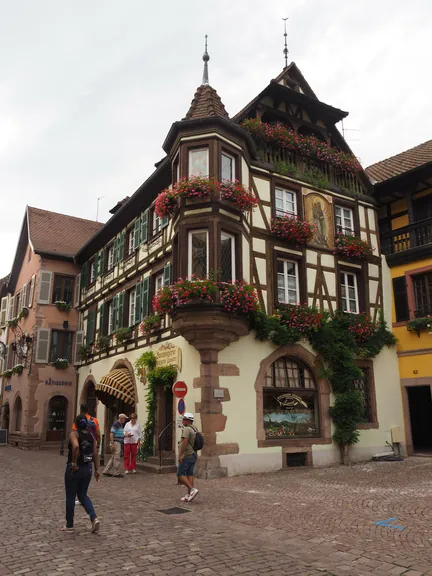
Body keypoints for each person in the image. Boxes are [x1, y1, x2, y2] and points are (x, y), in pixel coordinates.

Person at [61, 414, 100, 533]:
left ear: (76, 424)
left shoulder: (74, 434)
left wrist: (73, 462)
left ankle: (69, 525)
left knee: (71, 496)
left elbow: (76, 446)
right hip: (87, 469)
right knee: (83, 495)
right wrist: (97, 470)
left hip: (75, 468)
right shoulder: (91, 436)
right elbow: (96, 454)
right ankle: (94, 518)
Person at [72, 404, 101, 505]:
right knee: (87, 469)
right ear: (88, 410)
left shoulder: (79, 419)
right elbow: (98, 433)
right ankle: (83, 494)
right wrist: (98, 445)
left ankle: (77, 496)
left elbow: (74, 432)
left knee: (76, 474)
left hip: (80, 449)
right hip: (90, 449)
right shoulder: (94, 420)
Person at [177, 412, 199, 502]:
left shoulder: (186, 429)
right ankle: (189, 494)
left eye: (183, 419)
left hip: (187, 454)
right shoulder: (195, 428)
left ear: (187, 420)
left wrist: (181, 454)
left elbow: (185, 441)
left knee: (180, 474)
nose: (182, 421)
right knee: (189, 474)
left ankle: (192, 489)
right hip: (193, 454)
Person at [102, 413, 127, 477]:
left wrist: (126, 435)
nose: (125, 420)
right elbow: (111, 434)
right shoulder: (116, 424)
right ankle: (116, 473)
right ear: (121, 418)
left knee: (113, 457)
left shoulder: (120, 424)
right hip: (116, 442)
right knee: (116, 457)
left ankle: (106, 471)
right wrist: (112, 443)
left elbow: (119, 434)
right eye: (124, 418)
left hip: (117, 442)